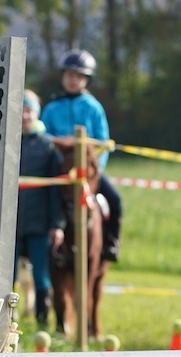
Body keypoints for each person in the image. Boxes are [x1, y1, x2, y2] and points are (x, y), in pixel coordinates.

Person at [40, 50, 123, 265]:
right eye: (69, 75)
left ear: (86, 80)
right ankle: (35, 247)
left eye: (78, 76)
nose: (73, 80)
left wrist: (94, 171)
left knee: (115, 199)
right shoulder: (51, 108)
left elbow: (103, 142)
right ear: (63, 76)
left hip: (88, 172)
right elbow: (43, 139)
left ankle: (111, 242)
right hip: (59, 172)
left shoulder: (93, 107)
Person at [14, 91, 67, 328]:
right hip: (11, 225)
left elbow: (55, 190)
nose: (24, 116)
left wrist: (56, 224)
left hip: (39, 222)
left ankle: (42, 322)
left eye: (29, 110)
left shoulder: (47, 146)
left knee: (41, 275)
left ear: (36, 113)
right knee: (6, 276)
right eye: (20, 110)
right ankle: (6, 322)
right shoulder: (6, 143)